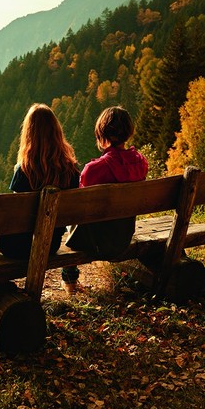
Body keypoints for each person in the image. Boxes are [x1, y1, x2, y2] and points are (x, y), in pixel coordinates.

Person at [61, 105, 148, 295]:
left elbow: (80, 208)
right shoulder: (141, 163)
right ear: (128, 131)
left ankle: (70, 284)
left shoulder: (93, 170)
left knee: (69, 225)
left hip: (96, 241)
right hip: (123, 235)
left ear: (102, 133)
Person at [0, 103, 80, 259]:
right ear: (56, 131)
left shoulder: (24, 170)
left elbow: (16, 212)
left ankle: (3, 285)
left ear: (28, 134)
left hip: (17, 247)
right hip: (51, 245)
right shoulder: (71, 170)